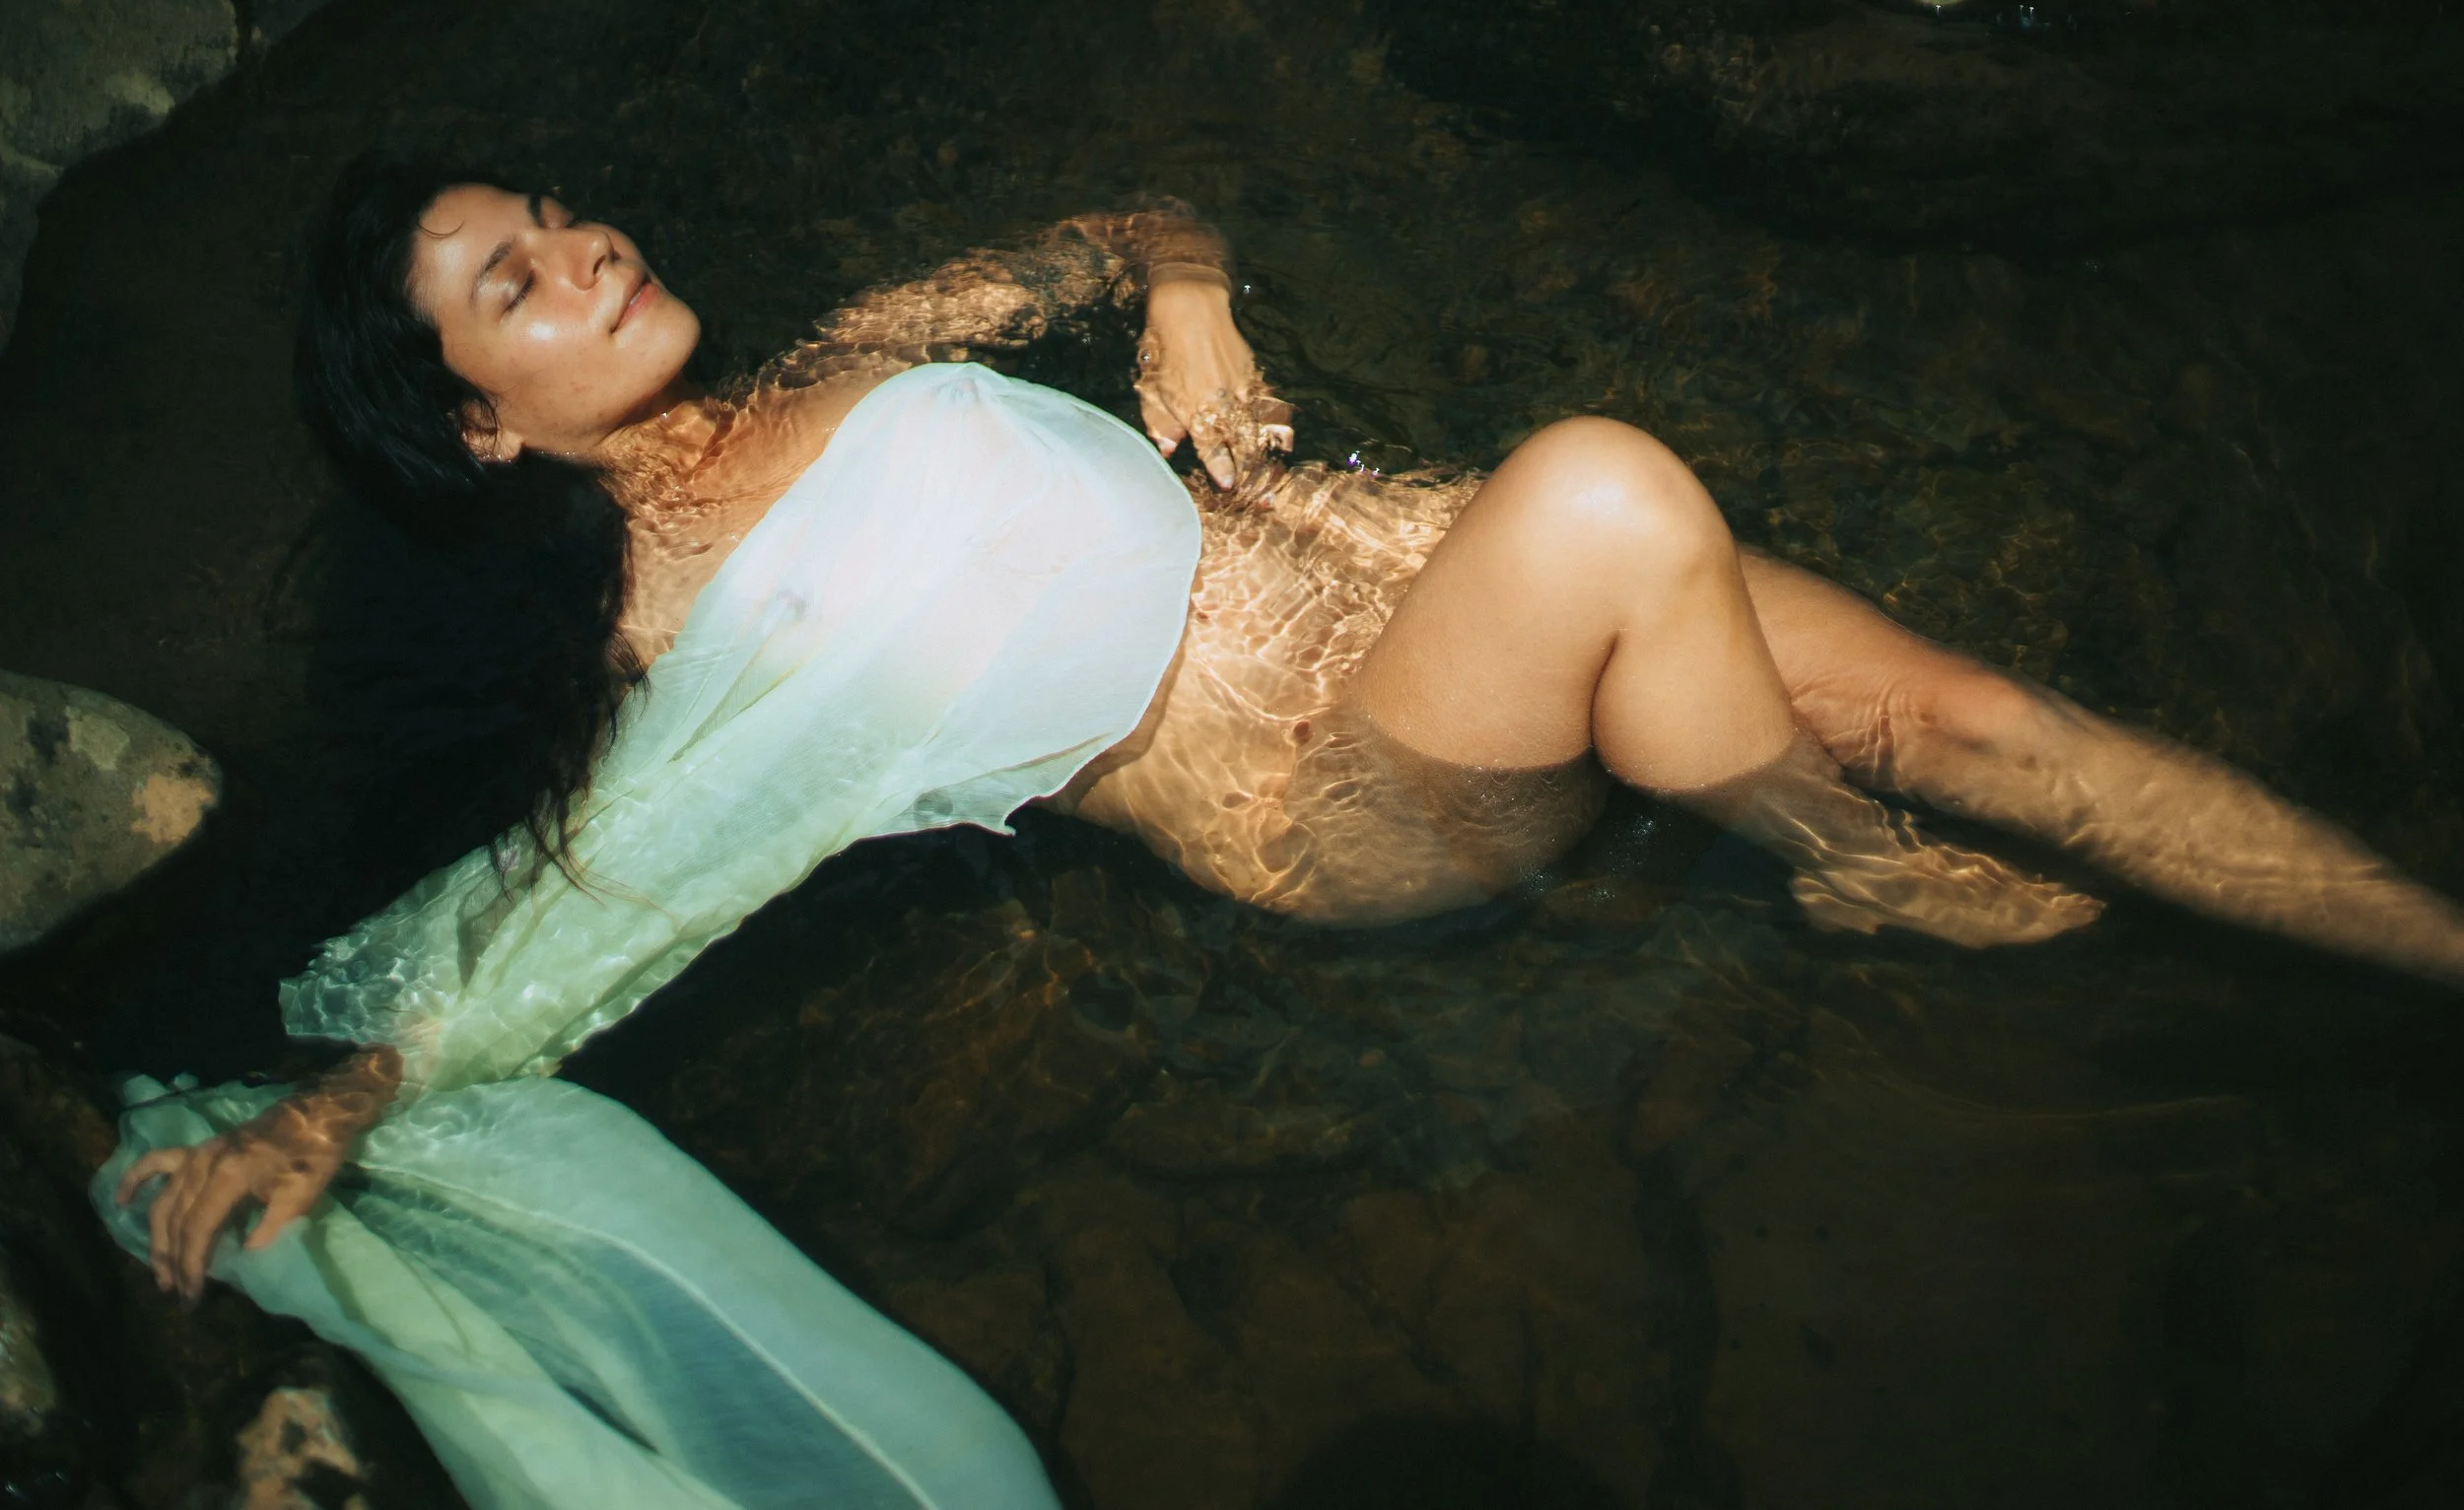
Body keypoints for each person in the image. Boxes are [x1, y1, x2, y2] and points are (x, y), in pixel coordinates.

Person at [98, 156, 2464, 1509]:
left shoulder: (841, 350)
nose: (585, 249)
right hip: (1338, 789)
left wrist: (1191, 298)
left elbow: (1141, 194)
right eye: (512, 285)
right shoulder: (654, 637)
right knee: (1607, 488)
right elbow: (596, 881)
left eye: (553, 211)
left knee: (1983, 712)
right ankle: (1822, 853)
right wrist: (355, 1085)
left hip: (1403, 555)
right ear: (477, 425)